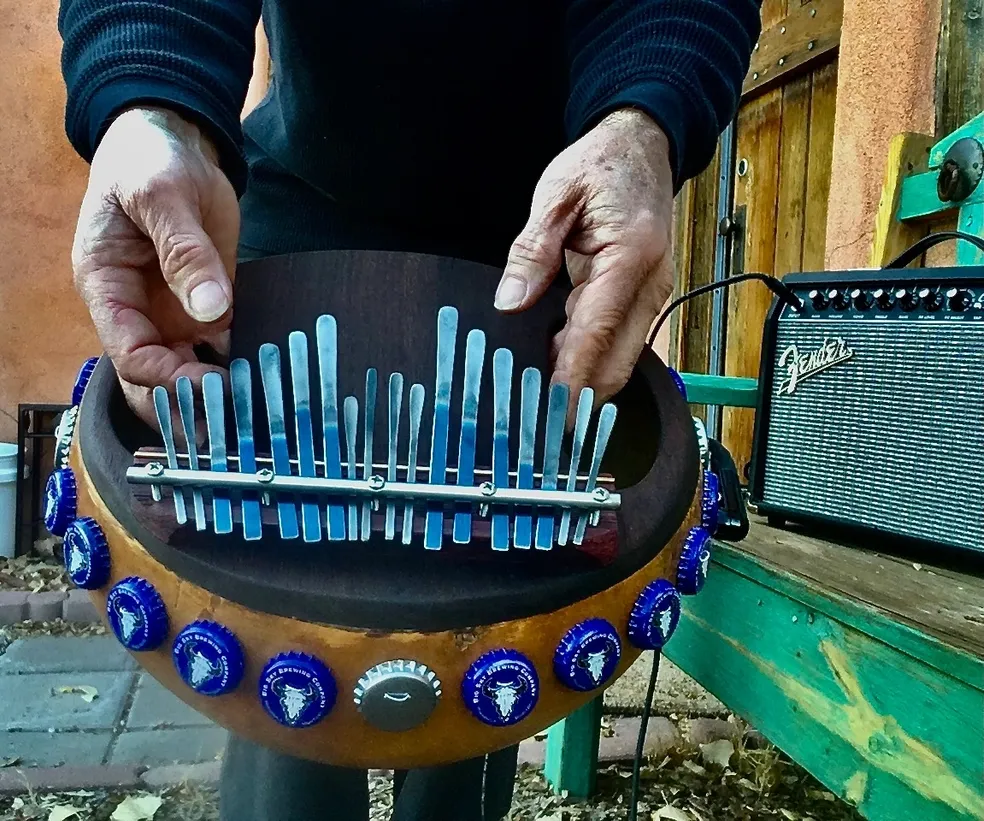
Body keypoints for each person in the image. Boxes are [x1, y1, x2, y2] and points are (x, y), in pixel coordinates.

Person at [58, 2, 760, 819]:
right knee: (280, 655)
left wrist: (646, 114)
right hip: (302, 219)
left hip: (533, 238)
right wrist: (149, 101)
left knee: (491, 644)